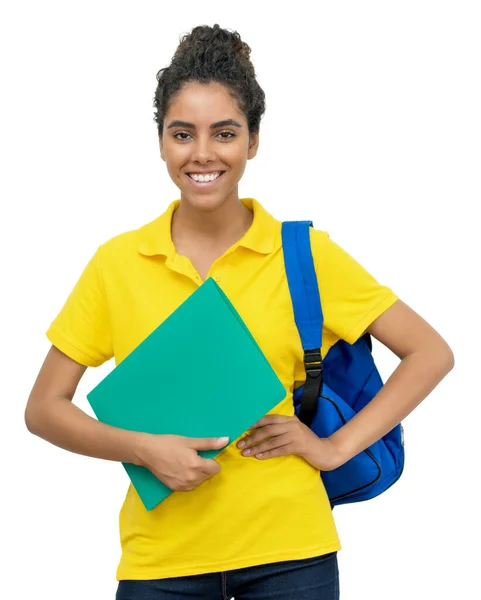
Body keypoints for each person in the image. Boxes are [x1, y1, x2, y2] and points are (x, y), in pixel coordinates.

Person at [24, 24, 454, 600]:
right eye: (183, 134)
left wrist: (331, 448)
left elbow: (431, 353)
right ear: (160, 142)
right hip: (161, 561)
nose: (202, 153)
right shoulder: (117, 263)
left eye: (223, 133)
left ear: (252, 142)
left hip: (292, 554)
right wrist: (143, 448)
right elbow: (44, 409)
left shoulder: (302, 255)